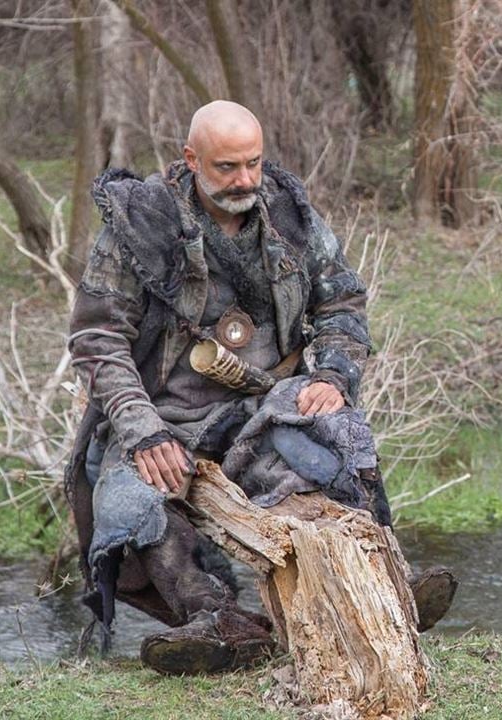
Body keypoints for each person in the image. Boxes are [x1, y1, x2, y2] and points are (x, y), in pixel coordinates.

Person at [64, 101, 456, 675]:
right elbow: (97, 337)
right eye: (227, 167)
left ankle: (386, 581)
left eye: (253, 163)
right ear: (191, 159)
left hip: (264, 403)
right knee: (131, 506)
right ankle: (217, 621)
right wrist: (141, 429)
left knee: (332, 443)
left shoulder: (289, 215)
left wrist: (331, 375)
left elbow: (342, 302)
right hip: (164, 415)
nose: (245, 180)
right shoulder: (138, 224)